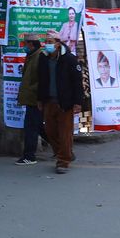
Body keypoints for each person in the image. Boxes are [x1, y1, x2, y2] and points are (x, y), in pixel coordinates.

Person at [36, 31, 83, 174]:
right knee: (50, 131)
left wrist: (77, 102)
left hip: (65, 102)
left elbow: (77, 82)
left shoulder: (69, 59)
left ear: (58, 43)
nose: (47, 45)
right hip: (48, 101)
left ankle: (63, 161)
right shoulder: (43, 58)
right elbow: (41, 80)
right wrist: (40, 99)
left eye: (50, 42)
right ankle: (66, 152)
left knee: (65, 133)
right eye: (46, 42)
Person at [15, 33, 45, 165]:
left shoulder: (39, 57)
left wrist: (36, 95)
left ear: (31, 44)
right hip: (31, 98)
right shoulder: (31, 56)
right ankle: (62, 149)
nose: (23, 47)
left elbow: (42, 80)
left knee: (31, 128)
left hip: (35, 99)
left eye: (25, 44)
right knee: (39, 128)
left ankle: (29, 156)